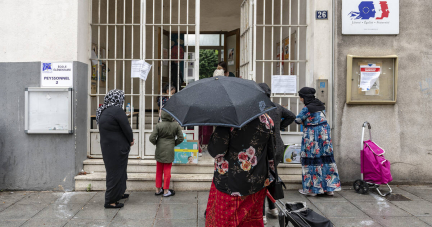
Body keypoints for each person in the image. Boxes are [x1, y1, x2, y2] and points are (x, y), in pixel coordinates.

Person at [205, 114, 275, 227]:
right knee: (252, 221)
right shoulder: (266, 119)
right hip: (258, 181)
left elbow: (217, 151)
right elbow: (271, 150)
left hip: (231, 183)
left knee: (225, 221)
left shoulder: (227, 120)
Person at [258, 83, 296, 224]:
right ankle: (272, 208)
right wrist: (281, 127)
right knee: (272, 176)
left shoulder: (257, 108)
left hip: (263, 148)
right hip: (277, 147)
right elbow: (291, 116)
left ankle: (261, 213)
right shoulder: (277, 107)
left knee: (261, 180)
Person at [295, 87, 341, 196]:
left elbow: (297, 120)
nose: (300, 99)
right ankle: (330, 188)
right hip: (324, 134)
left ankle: (313, 190)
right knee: (325, 159)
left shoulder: (307, 108)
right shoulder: (320, 105)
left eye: (301, 97)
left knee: (312, 159)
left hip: (312, 134)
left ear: (304, 97)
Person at [96, 89, 134, 209]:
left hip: (108, 148)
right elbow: (126, 128)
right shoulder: (117, 110)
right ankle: (110, 201)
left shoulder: (103, 110)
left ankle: (119, 193)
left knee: (118, 172)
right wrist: (131, 139)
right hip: (117, 148)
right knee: (116, 173)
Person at [149, 110, 184, 197]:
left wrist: (157, 143)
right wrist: (174, 143)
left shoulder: (159, 125)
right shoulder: (175, 125)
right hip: (169, 150)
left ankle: (157, 189)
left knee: (159, 171)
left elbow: (151, 138)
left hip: (160, 149)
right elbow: (181, 138)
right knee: (167, 171)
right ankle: (166, 190)